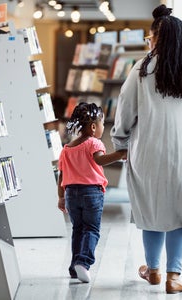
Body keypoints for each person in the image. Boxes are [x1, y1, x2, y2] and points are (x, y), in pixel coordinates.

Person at [110, 4, 182, 294]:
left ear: (156, 39)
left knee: (151, 210)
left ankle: (152, 270)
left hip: (149, 151)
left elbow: (125, 110)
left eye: (149, 39)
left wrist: (120, 143)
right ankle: (173, 276)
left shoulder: (142, 70)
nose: (149, 43)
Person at [57, 102, 127, 283]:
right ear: (94, 126)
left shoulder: (67, 149)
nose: (103, 128)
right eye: (102, 124)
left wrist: (61, 197)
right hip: (91, 193)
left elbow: (61, 175)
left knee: (78, 229)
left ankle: (74, 266)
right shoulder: (94, 143)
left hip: (71, 193)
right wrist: (120, 154)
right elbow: (101, 161)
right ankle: (84, 262)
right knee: (92, 229)